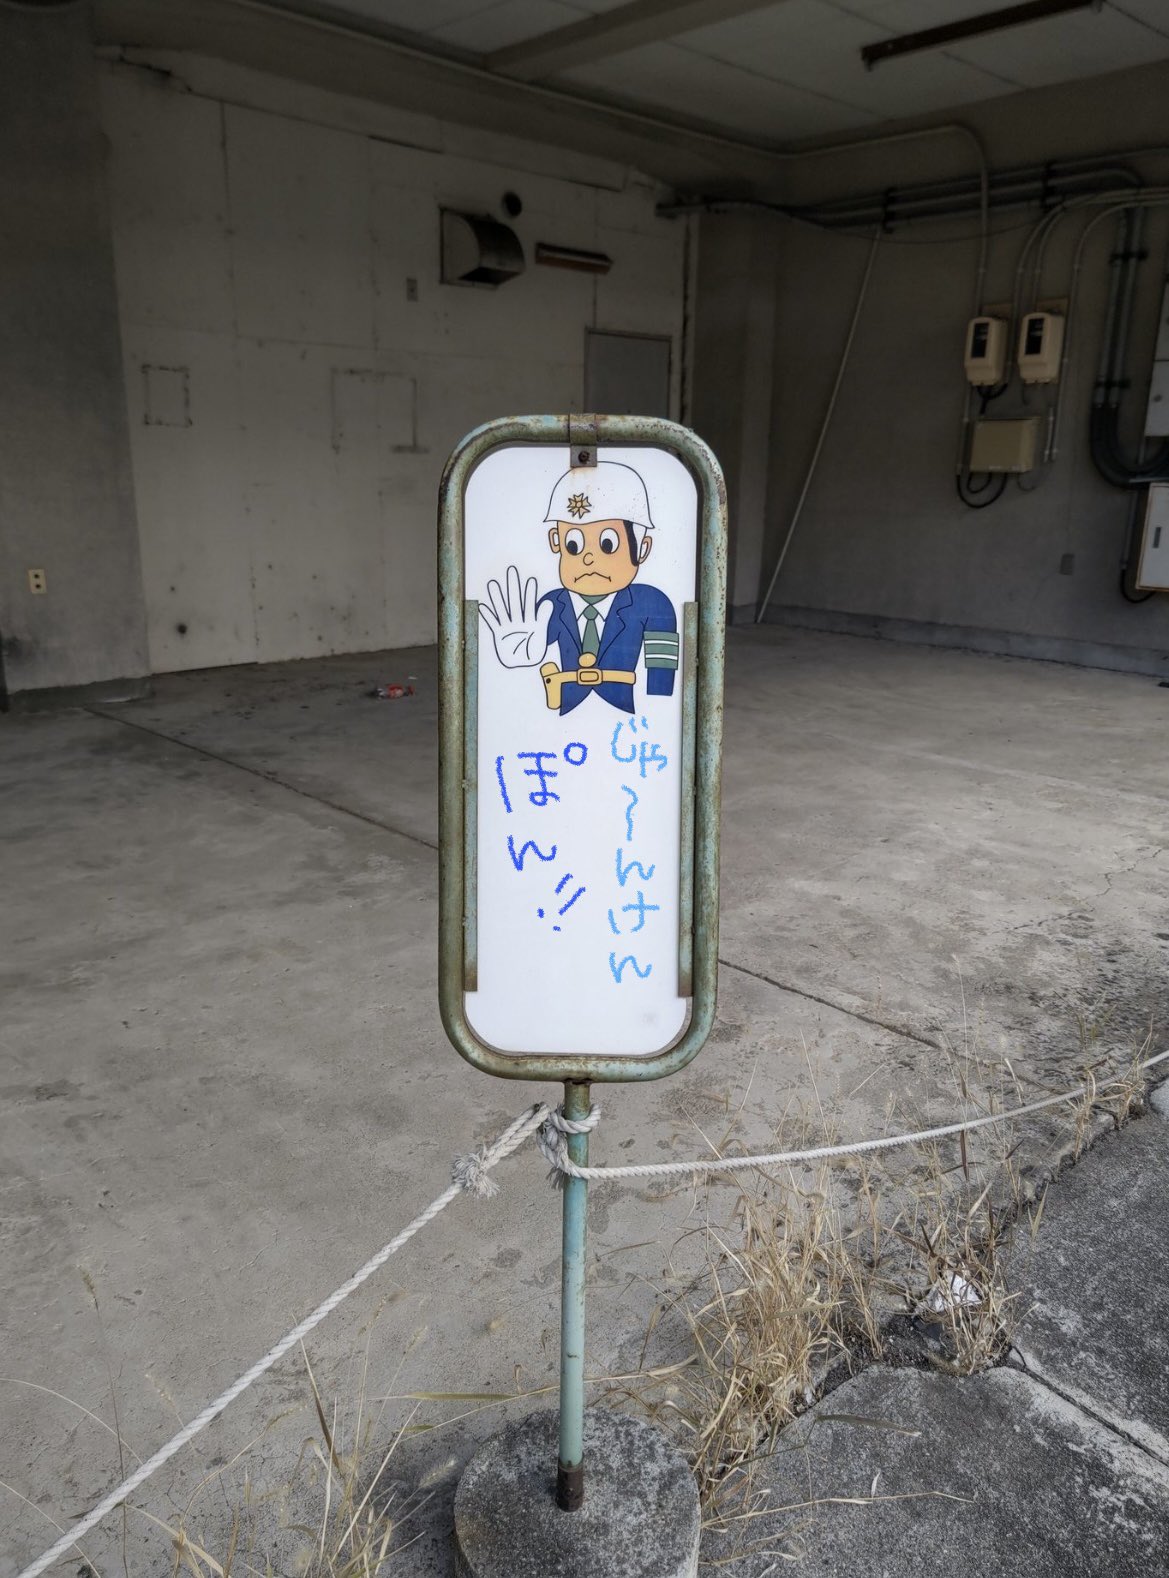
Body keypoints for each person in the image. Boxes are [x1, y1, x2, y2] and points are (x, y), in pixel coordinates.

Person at [480, 461, 679, 714]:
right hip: (564, 717)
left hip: (627, 719)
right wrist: (519, 664)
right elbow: (530, 652)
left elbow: (662, 687)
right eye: (573, 545)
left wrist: (656, 721)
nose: (588, 558)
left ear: (642, 548)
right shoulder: (551, 606)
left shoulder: (652, 604)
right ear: (556, 542)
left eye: (608, 544)